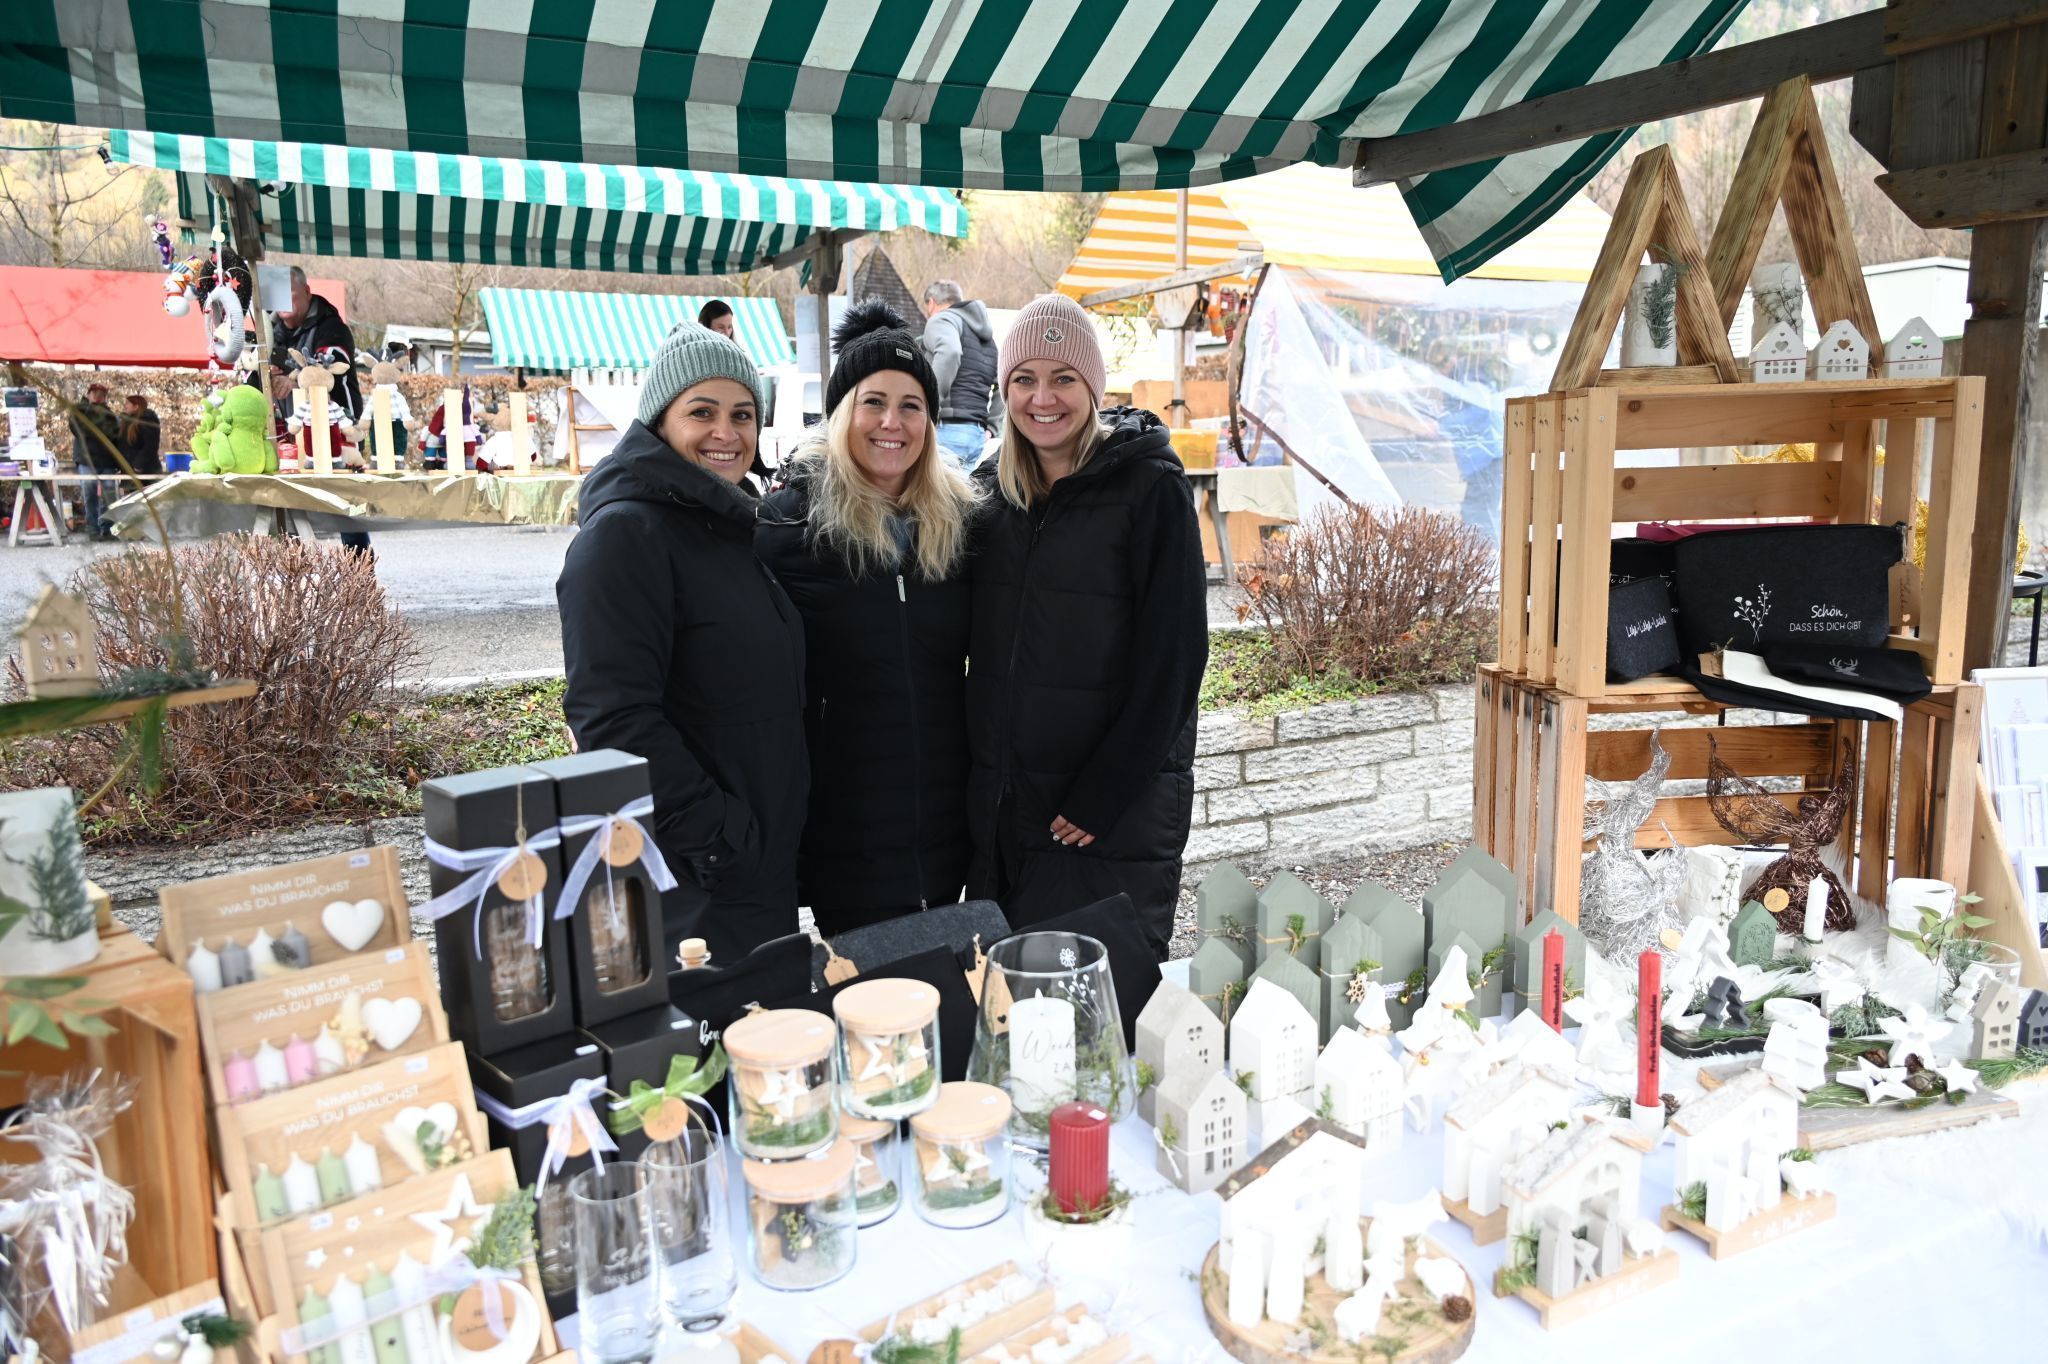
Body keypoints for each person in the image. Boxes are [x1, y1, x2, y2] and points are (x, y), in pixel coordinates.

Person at [557, 322, 807, 962]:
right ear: (660, 420)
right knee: (711, 1053)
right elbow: (611, 717)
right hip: (695, 877)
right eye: (703, 412)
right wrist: (719, 837)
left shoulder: (723, 524)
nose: (727, 433)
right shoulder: (626, 537)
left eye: (743, 415)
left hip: (752, 864)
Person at [966, 294, 1208, 957]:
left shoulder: (1148, 488)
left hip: (1105, 814)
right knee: (1010, 1009)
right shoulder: (990, 497)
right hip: (1008, 812)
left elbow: (1177, 658)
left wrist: (1105, 791)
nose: (1043, 397)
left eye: (1063, 378)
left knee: (1098, 1015)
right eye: (1024, 379)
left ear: (1093, 388)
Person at [756, 301, 981, 936]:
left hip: (948, 835)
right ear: (841, 414)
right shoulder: (788, 530)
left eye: (912, 405)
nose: (893, 422)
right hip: (845, 838)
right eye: (873, 401)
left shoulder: (961, 526)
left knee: (951, 1010)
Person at [270, 267, 371, 556]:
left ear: (306, 292)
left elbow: (329, 363)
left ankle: (359, 570)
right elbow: (263, 368)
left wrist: (288, 377)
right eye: (277, 298)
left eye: (290, 295)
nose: (284, 305)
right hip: (295, 431)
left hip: (339, 429)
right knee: (288, 503)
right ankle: (293, 572)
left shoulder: (331, 326)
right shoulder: (271, 330)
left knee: (344, 505)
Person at [920, 280, 998, 470]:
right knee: (961, 498)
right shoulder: (986, 337)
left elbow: (950, 352)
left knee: (935, 498)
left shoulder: (941, 320)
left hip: (946, 429)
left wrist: (929, 406)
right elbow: (1004, 382)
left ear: (931, 303)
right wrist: (992, 427)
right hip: (976, 434)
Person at [67, 382, 121, 539]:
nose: (98, 396)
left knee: (110, 495)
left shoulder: (111, 415)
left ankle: (108, 528)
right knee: (90, 493)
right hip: (86, 460)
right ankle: (92, 528)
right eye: (95, 393)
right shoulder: (79, 411)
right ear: (89, 394)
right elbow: (79, 430)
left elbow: (115, 437)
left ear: (105, 398)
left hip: (107, 461)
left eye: (101, 394)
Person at [119, 395, 162, 476]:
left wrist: (138, 465)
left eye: (128, 403)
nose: (125, 406)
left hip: (145, 469)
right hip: (129, 468)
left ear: (136, 406)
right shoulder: (126, 422)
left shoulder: (147, 420)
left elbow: (150, 445)